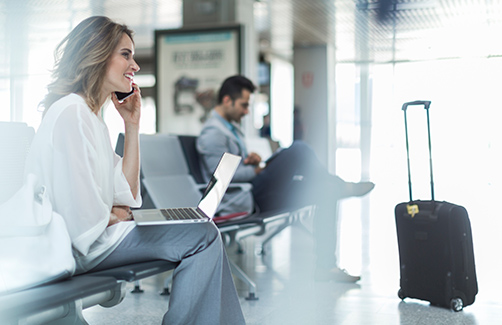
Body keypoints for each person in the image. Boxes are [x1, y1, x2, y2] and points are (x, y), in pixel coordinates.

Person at [24, 16, 245, 325]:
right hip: (83, 248)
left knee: (204, 232)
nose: (135, 66)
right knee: (203, 234)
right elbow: (83, 223)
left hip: (98, 240)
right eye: (126, 54)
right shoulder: (72, 113)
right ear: (97, 54)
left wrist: (131, 125)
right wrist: (109, 213)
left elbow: (126, 196)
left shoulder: (90, 117)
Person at [196, 75, 374, 283]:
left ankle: (326, 266)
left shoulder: (228, 128)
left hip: (256, 190)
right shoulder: (212, 133)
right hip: (249, 198)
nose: (246, 111)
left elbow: (231, 166)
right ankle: (342, 185)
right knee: (299, 149)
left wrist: (251, 162)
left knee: (326, 190)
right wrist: (256, 171)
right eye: (244, 105)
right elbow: (218, 180)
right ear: (227, 100)